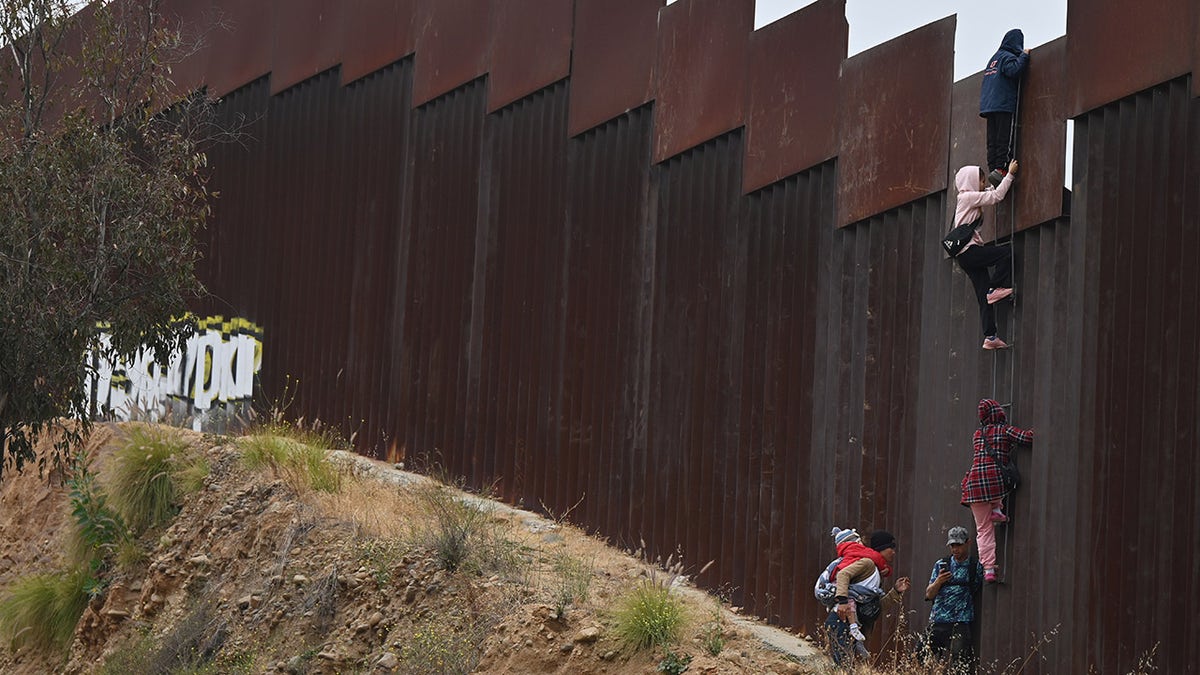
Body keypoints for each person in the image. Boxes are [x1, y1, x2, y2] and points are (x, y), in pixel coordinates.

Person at [960, 399, 1033, 582]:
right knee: (1004, 479)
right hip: (994, 484)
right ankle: (997, 509)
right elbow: (1027, 438)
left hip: (973, 487)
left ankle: (989, 569)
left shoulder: (977, 434)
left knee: (983, 530)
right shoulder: (1004, 429)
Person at [949, 161, 1020, 350]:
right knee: (1005, 253)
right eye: (980, 180)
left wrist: (997, 181)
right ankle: (995, 288)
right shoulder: (967, 197)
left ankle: (990, 336)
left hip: (965, 257)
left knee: (983, 298)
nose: (983, 183)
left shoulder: (968, 198)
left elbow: (989, 191)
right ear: (971, 182)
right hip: (969, 252)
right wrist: (1010, 175)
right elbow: (996, 196)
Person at [821, 529, 911, 666]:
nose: (894, 552)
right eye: (890, 548)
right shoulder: (867, 563)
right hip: (841, 621)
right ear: (881, 548)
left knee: (846, 667)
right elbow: (843, 575)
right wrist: (843, 602)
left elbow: (873, 608)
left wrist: (895, 592)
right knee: (844, 668)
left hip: (852, 627)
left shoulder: (875, 571)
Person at [924, 526, 984, 674]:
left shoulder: (974, 566)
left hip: (960, 623)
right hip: (937, 621)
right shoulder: (941, 564)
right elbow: (928, 595)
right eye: (952, 545)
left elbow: (975, 588)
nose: (955, 549)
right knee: (920, 656)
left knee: (959, 664)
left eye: (959, 545)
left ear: (968, 543)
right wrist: (939, 581)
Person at [980, 29, 1030, 187]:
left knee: (992, 141)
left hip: (989, 106)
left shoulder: (993, 60)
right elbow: (1014, 70)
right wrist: (1024, 56)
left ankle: (993, 170)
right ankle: (1001, 169)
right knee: (1004, 138)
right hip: (1003, 104)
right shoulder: (1007, 57)